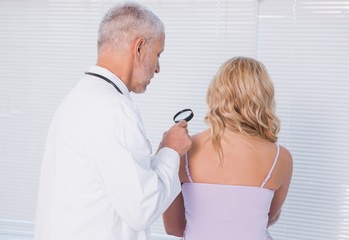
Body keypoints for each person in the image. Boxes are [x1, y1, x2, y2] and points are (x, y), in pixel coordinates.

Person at [34, 2, 192, 240]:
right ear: (139, 48)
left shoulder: (82, 98)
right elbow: (143, 208)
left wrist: (158, 157)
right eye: (158, 54)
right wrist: (171, 151)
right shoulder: (113, 110)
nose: (158, 68)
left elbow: (114, 183)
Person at [162, 56, 293, 240]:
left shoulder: (184, 151)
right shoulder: (281, 157)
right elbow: (266, 219)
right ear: (264, 96)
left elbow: (173, 228)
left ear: (215, 93)